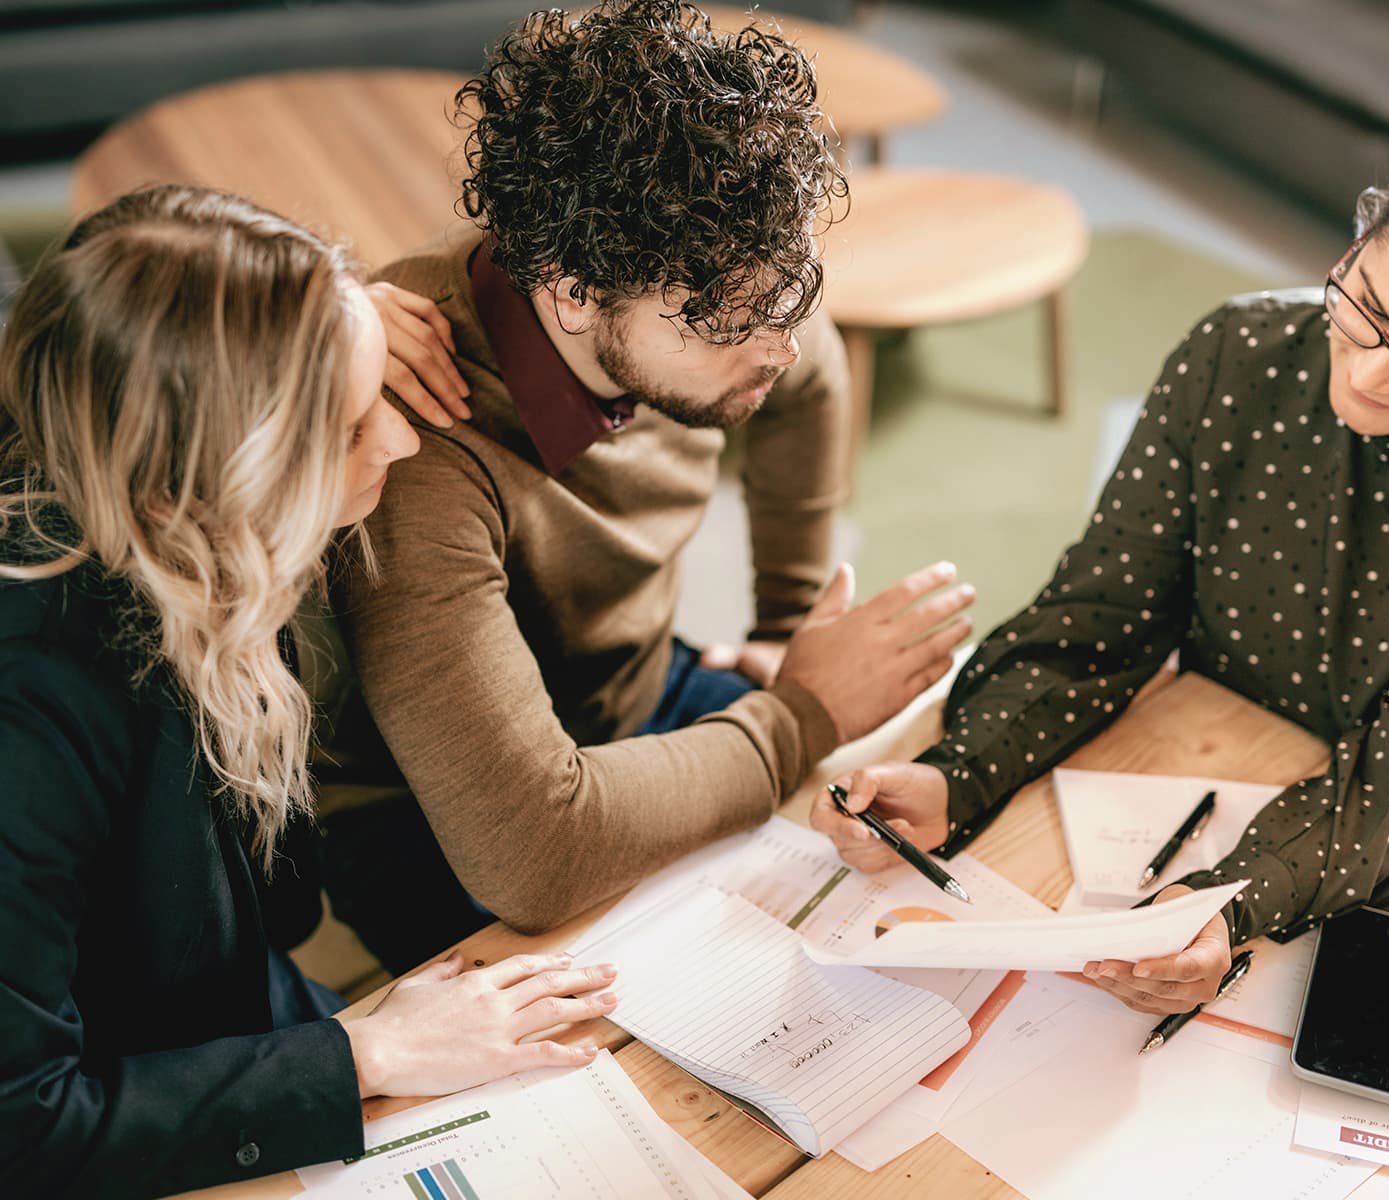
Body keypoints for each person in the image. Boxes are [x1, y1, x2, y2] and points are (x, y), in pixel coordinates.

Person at [811, 117, 1389, 1016]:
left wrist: (1231, 904)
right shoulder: (1241, 356)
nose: (1372, 376)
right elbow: (1098, 617)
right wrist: (962, 772)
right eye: (1367, 307)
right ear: (1363, 233)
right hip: (1216, 758)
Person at [323, 0, 974, 972]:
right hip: (441, 811)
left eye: (790, 297)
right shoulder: (419, 442)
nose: (781, 346)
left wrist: (782, 630)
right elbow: (532, 856)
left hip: (630, 697)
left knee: (873, 875)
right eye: (731, 324)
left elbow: (813, 373)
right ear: (573, 290)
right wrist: (801, 711)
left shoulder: (722, 278)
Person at [0, 185, 619, 1198]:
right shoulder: (27, 723)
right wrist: (363, 1056)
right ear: (190, 485)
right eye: (344, 427)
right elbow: (22, 1127)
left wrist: (333, 330)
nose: (402, 442)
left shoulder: (184, 531)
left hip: (249, 1015)